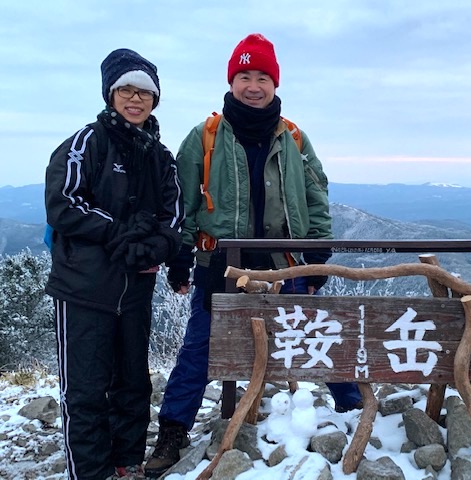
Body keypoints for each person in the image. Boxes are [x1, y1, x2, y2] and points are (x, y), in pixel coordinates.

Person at [144, 33, 362, 477]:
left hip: (287, 262)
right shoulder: (205, 136)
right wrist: (180, 257)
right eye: (244, 76)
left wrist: (319, 253)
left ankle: (354, 410)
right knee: (201, 348)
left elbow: (317, 198)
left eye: (262, 76)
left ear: (275, 84)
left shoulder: (295, 138)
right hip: (221, 265)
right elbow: (182, 200)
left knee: (317, 334)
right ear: (232, 80)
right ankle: (172, 432)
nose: (253, 85)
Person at [44, 48, 184, 480]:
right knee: (85, 390)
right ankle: (90, 472)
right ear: (110, 94)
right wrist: (120, 232)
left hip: (135, 291)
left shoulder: (160, 158)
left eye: (144, 92)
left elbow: (173, 218)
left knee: (133, 385)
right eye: (126, 89)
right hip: (84, 290)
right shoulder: (87, 142)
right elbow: (62, 203)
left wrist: (159, 252)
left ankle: (126, 464)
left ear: (155, 100)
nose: (135, 99)